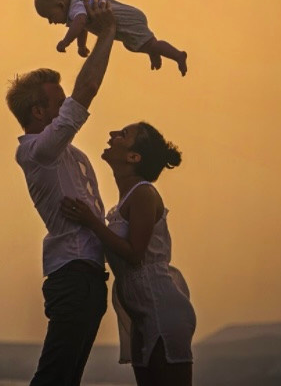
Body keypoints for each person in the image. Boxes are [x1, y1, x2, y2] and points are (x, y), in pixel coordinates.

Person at [6, 0, 119, 386]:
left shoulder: (68, 154)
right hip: (72, 276)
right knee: (55, 377)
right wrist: (107, 33)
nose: (66, 105)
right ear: (39, 113)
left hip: (87, 277)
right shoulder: (38, 151)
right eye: (58, 102)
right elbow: (86, 88)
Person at [60, 122, 196, 386]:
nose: (112, 134)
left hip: (161, 312)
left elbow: (135, 254)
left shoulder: (144, 193)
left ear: (134, 157)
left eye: (123, 134)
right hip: (140, 316)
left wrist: (91, 221)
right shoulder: (125, 200)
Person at [34, 0, 188, 75]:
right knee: (132, 46)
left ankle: (177, 55)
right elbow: (82, 27)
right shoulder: (78, 7)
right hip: (130, 18)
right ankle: (153, 51)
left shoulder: (76, 6)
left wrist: (65, 41)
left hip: (126, 19)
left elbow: (80, 23)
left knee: (149, 43)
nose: (50, 22)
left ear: (60, 6)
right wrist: (81, 46)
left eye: (50, 17)